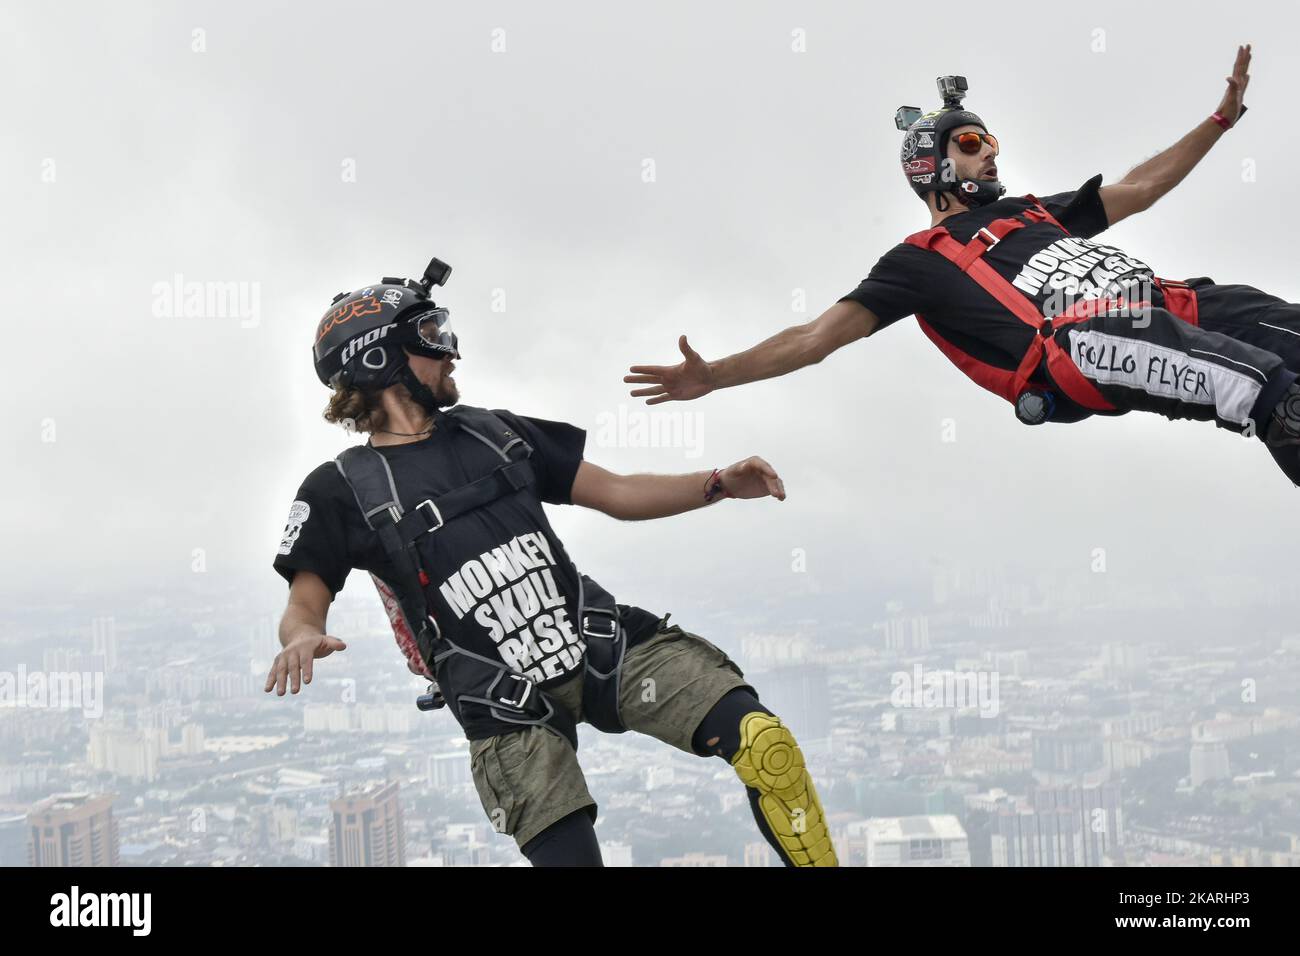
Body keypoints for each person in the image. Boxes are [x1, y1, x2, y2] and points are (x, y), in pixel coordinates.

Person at [265, 259, 837, 867]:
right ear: (380, 361)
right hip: (503, 706)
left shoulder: (492, 432)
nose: (451, 353)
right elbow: (306, 601)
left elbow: (616, 492)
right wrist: (301, 638)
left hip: (599, 647)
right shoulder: (339, 490)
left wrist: (717, 482)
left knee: (764, 745)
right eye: (430, 338)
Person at [625, 45, 1300, 485]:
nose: (992, 154)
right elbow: (813, 339)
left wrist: (1219, 121)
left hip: (1168, 306)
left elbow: (1144, 185)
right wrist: (714, 375)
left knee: (1268, 323)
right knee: (1269, 393)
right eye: (974, 142)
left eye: (991, 141)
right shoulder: (917, 264)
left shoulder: (1036, 212)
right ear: (934, 162)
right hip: (1084, 346)